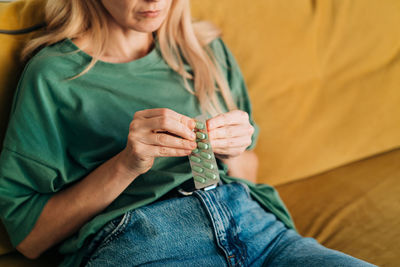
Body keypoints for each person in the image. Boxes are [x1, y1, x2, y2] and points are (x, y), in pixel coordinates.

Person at [0, 0, 376, 266]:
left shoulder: (205, 51)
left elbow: (249, 171)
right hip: (144, 243)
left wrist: (231, 154)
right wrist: (128, 164)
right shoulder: (54, 76)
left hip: (256, 229)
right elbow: (30, 238)